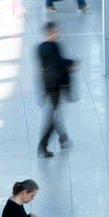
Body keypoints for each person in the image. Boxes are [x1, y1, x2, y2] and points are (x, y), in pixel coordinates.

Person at [36, 22, 75, 159]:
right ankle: (43, 145)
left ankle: (63, 138)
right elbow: (59, 64)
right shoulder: (54, 46)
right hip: (55, 85)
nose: (57, 33)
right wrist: (71, 64)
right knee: (52, 117)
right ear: (51, 32)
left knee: (54, 112)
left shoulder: (40, 48)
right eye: (55, 31)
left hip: (47, 85)